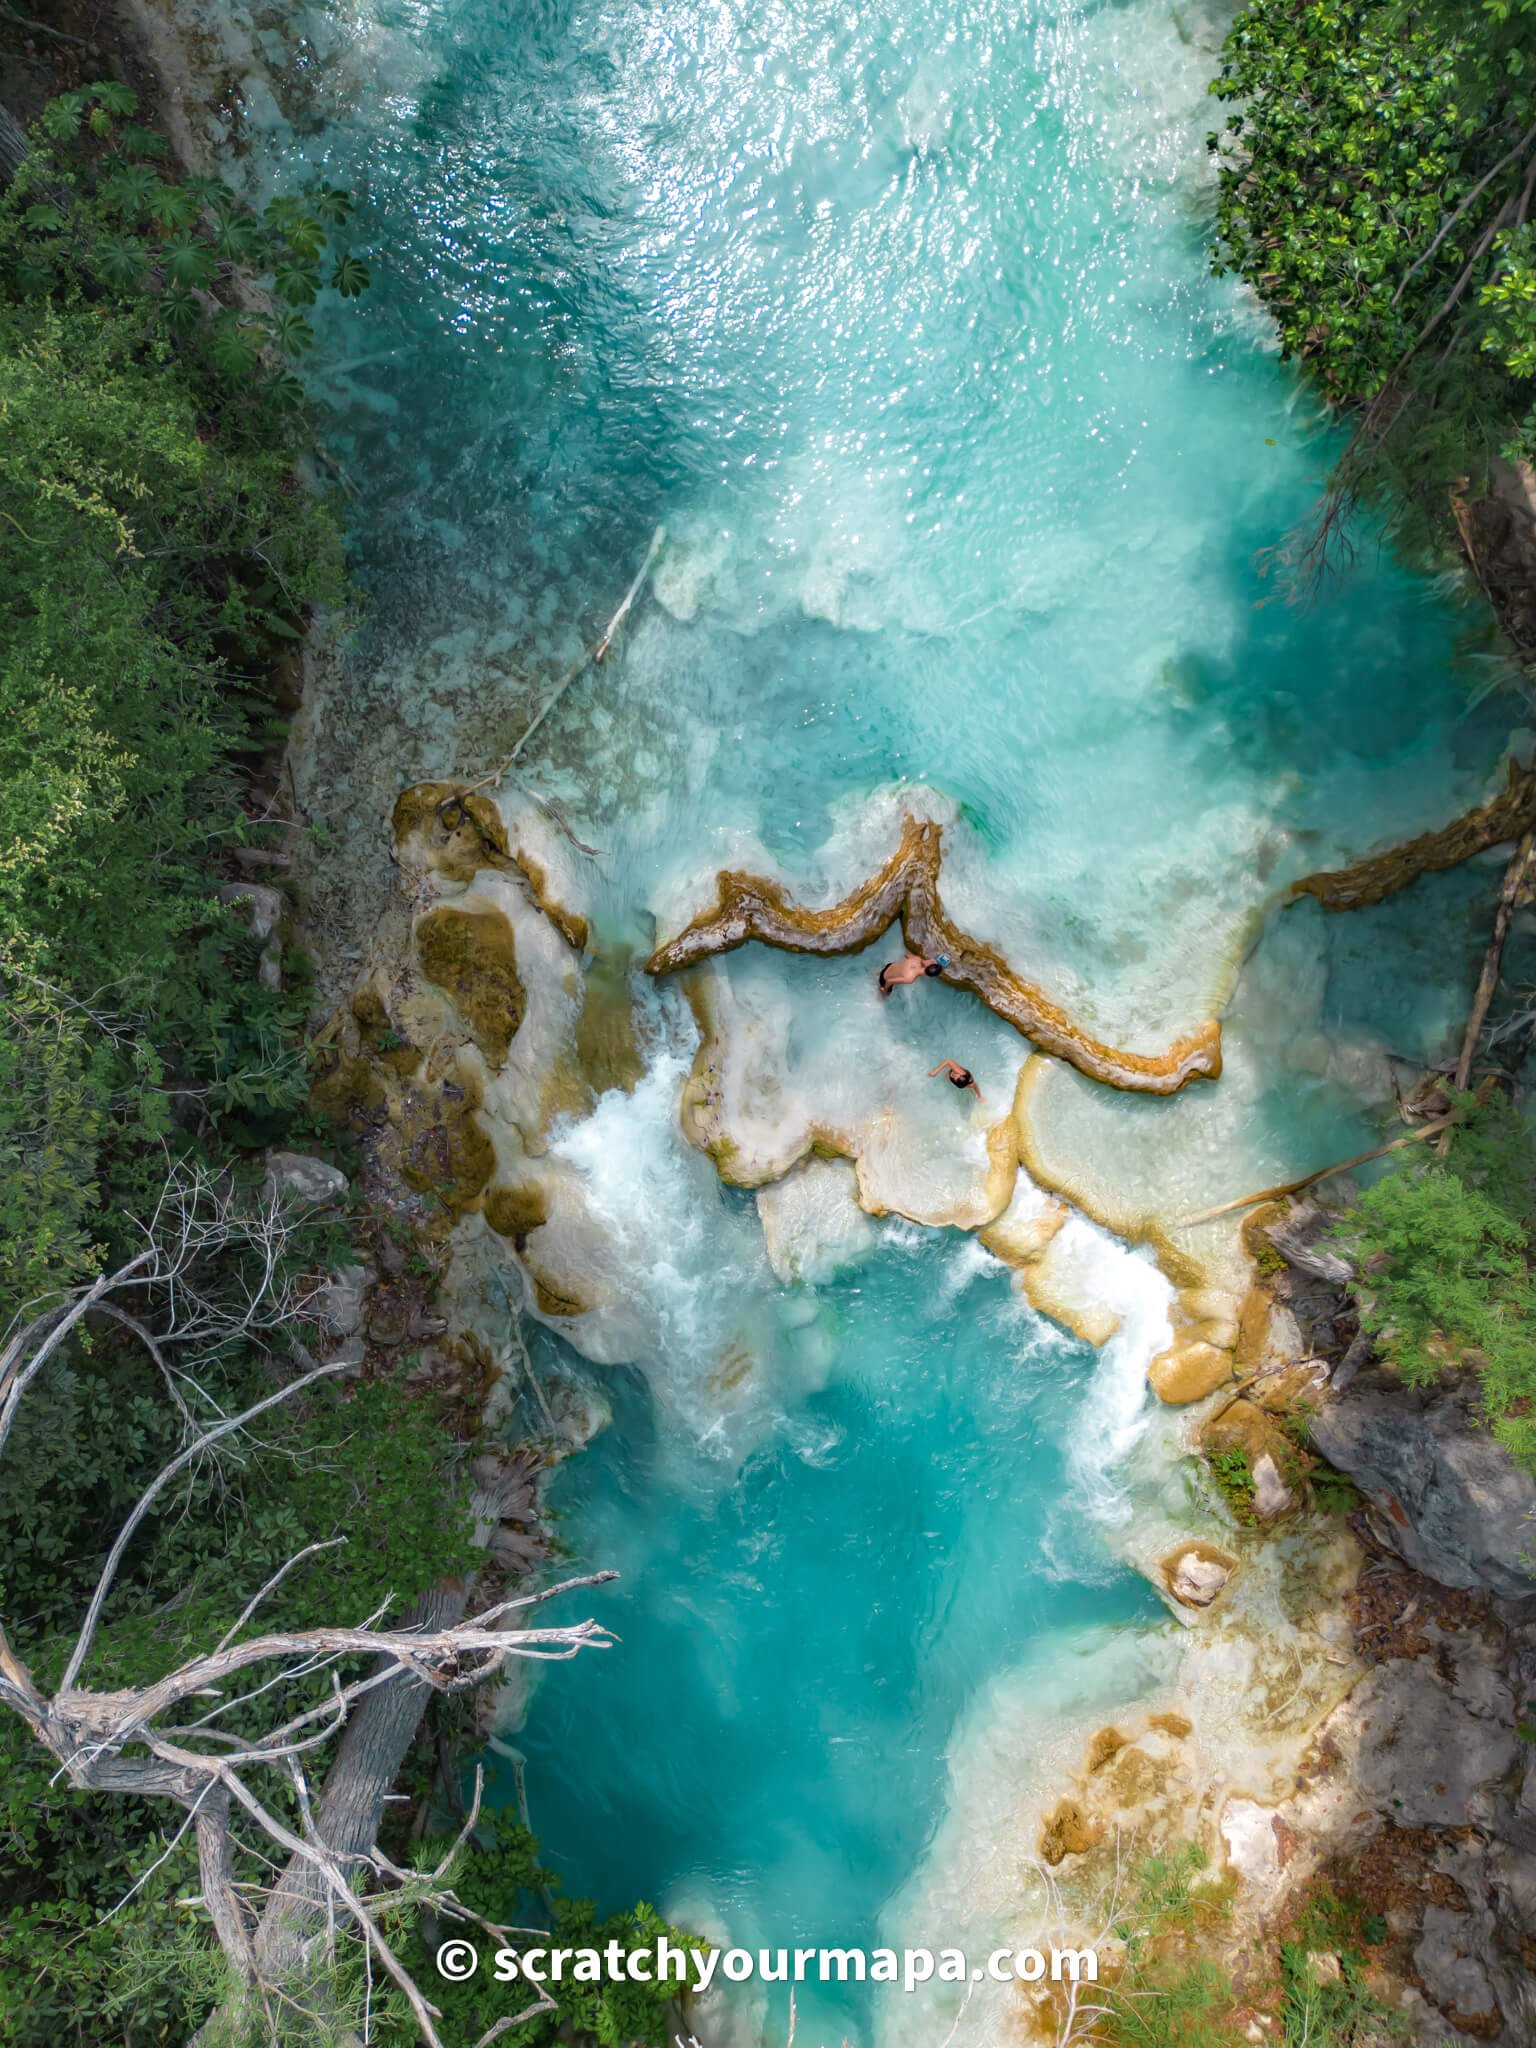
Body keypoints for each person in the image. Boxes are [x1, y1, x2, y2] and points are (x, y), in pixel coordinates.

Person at [877, 951, 949, 996]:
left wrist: (923, 961)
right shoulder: (910, 978)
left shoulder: (917, 959)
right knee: (886, 994)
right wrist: (885, 990)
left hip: (890, 966)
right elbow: (889, 981)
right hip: (884, 978)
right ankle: (879, 996)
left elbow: (906, 954)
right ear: (929, 976)